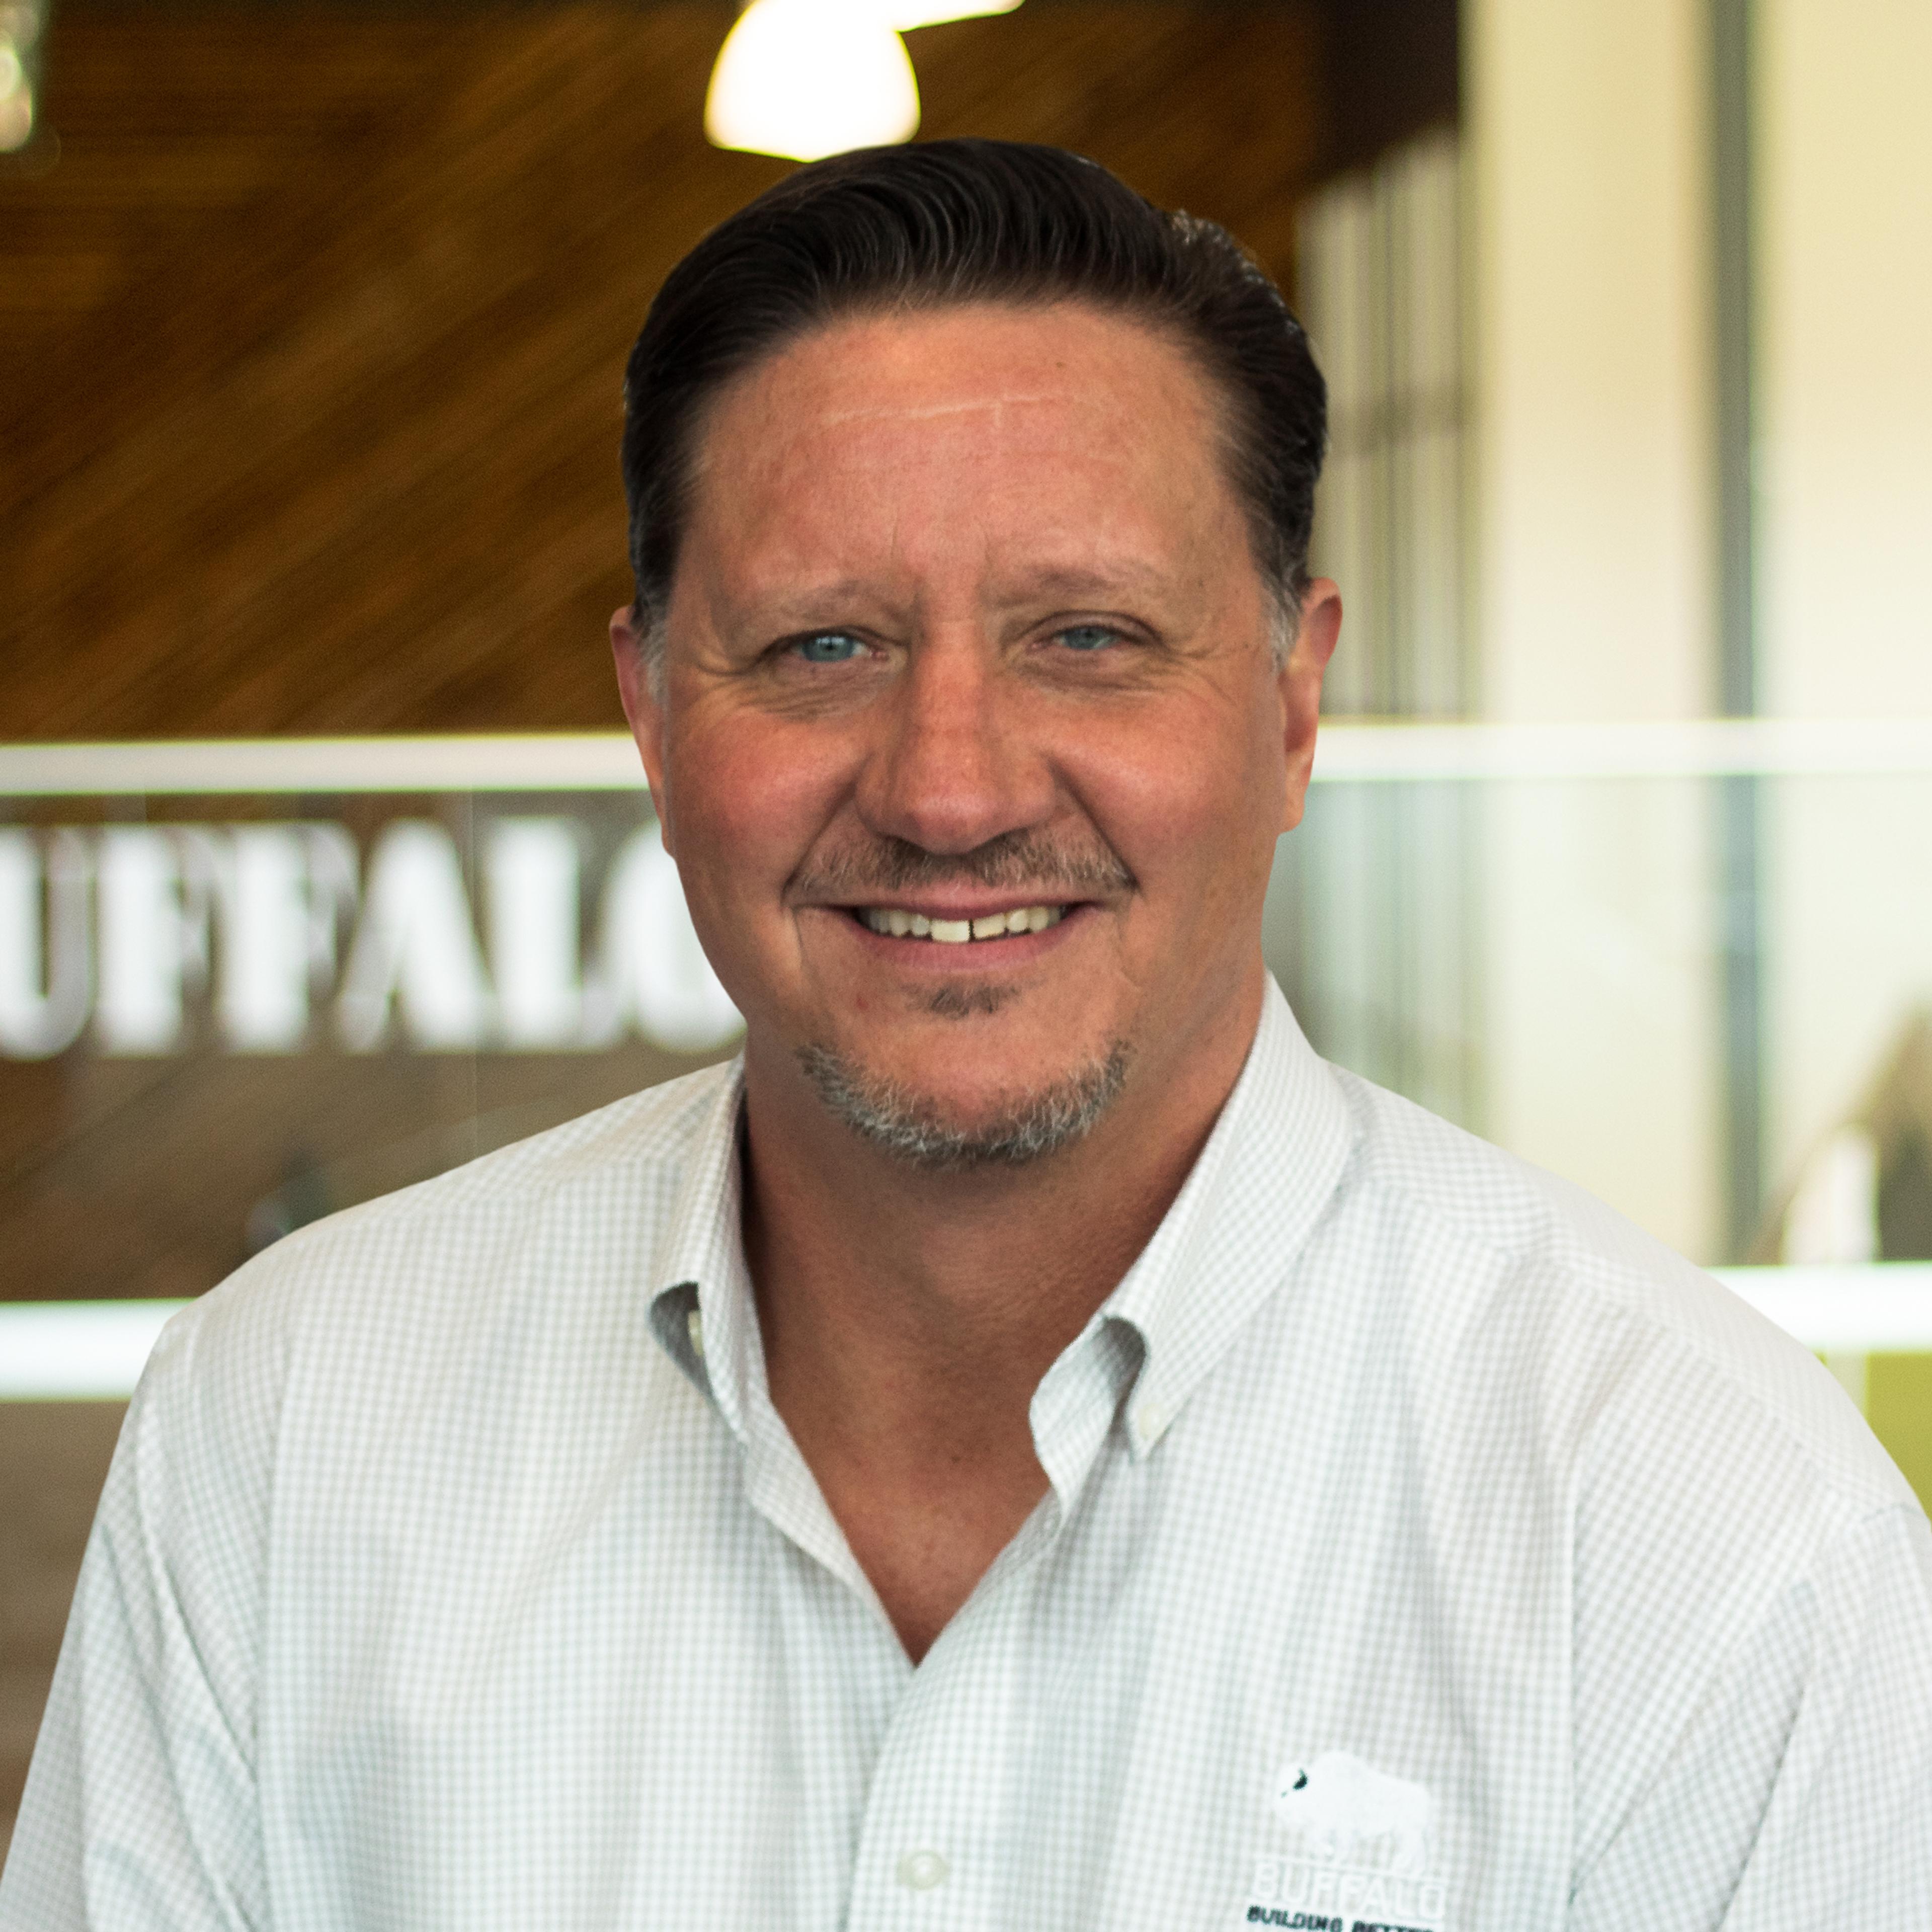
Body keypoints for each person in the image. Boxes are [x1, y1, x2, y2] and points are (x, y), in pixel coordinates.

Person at [3, 139, 1928, 1932]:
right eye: (823, 645)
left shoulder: (1713, 1538)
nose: (948, 790)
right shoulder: (289, 1432)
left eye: (1085, 637)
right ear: (654, 722)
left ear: (1291, 709)